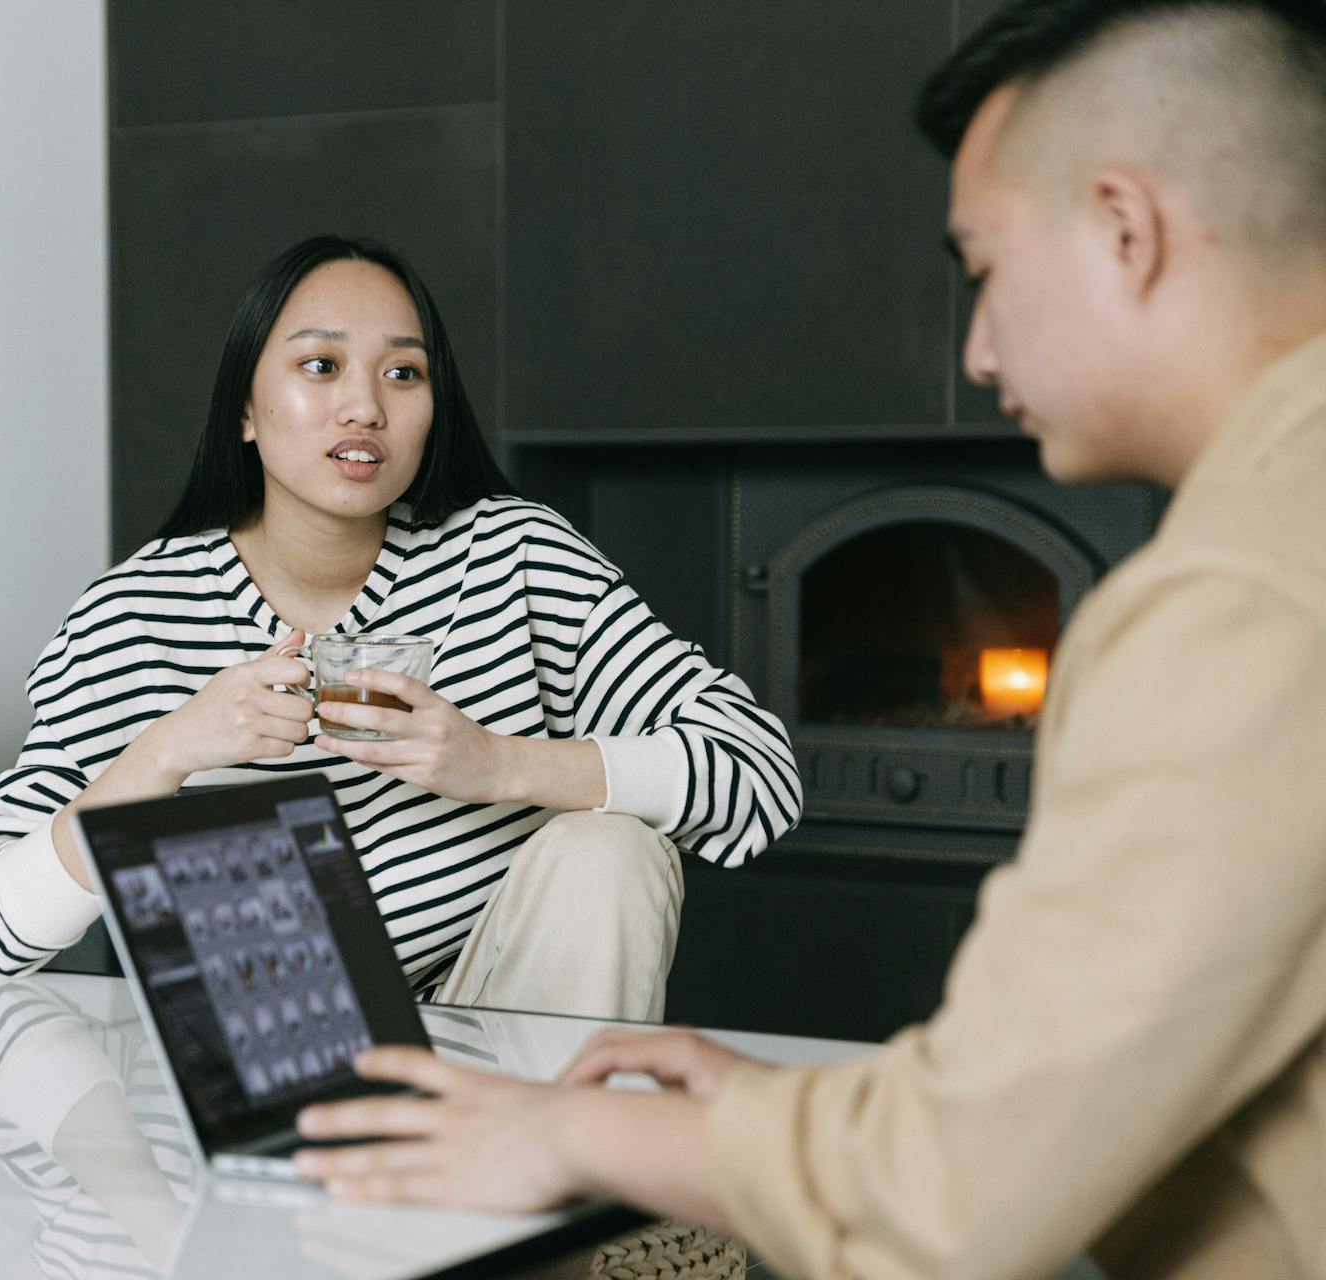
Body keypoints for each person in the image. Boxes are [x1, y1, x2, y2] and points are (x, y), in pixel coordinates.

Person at [290, 2, 1326, 1276]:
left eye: (985, 269)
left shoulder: (1240, 604)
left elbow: (960, 1189)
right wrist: (768, 1115)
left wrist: (569, 1132)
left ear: (1126, 226)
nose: (978, 348)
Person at [0, 235, 801, 1021]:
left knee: (610, 852)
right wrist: (170, 749)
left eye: (403, 375)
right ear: (245, 411)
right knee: (223, 861)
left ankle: (530, 1165)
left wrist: (496, 762)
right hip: (275, 1056)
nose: (364, 406)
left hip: (506, 1051)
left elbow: (760, 774)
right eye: (321, 366)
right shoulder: (133, 617)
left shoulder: (513, 556)